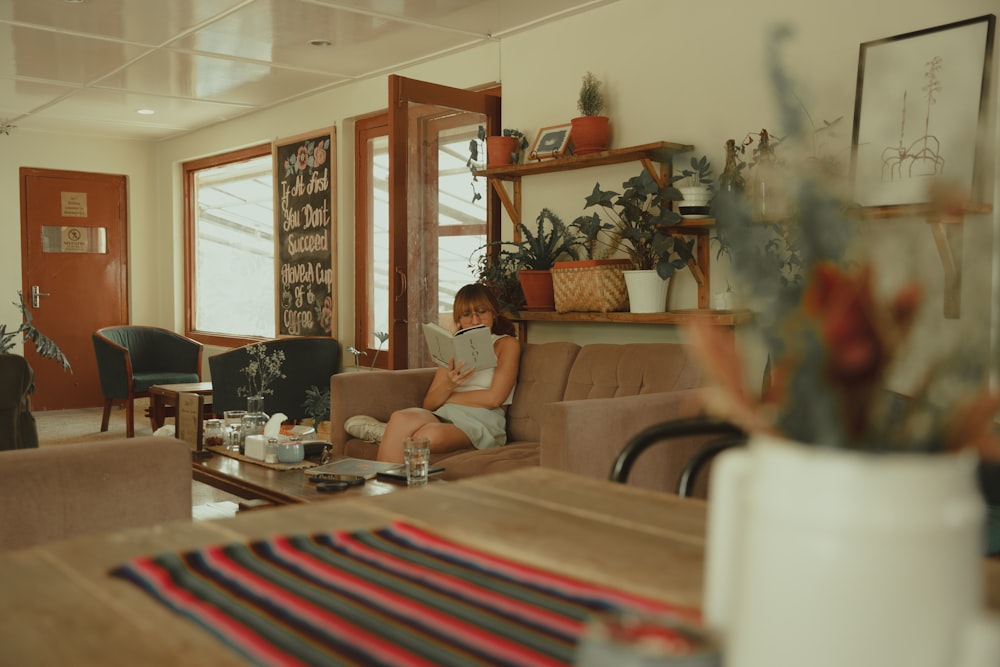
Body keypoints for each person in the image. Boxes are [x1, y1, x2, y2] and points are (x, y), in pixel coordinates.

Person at [344, 284, 520, 464]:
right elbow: (429, 404)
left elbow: (494, 399)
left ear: (493, 313)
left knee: (427, 436)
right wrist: (449, 386)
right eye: (467, 315)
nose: (475, 320)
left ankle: (387, 435)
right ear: (458, 319)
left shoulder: (506, 344)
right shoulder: (454, 346)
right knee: (399, 417)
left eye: (481, 312)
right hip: (446, 413)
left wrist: (449, 396)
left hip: (482, 419)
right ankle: (386, 488)